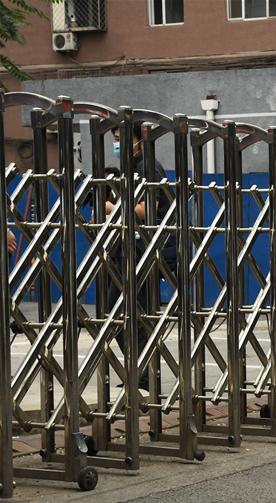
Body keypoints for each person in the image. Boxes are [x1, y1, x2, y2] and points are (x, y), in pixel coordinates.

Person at [106, 125, 172, 389]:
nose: (117, 144)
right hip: (129, 250)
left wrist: (112, 208)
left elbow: (148, 209)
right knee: (118, 312)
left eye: (121, 139)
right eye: (115, 139)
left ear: (139, 141)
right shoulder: (131, 168)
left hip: (145, 251)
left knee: (134, 314)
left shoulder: (148, 168)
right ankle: (140, 374)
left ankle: (145, 378)